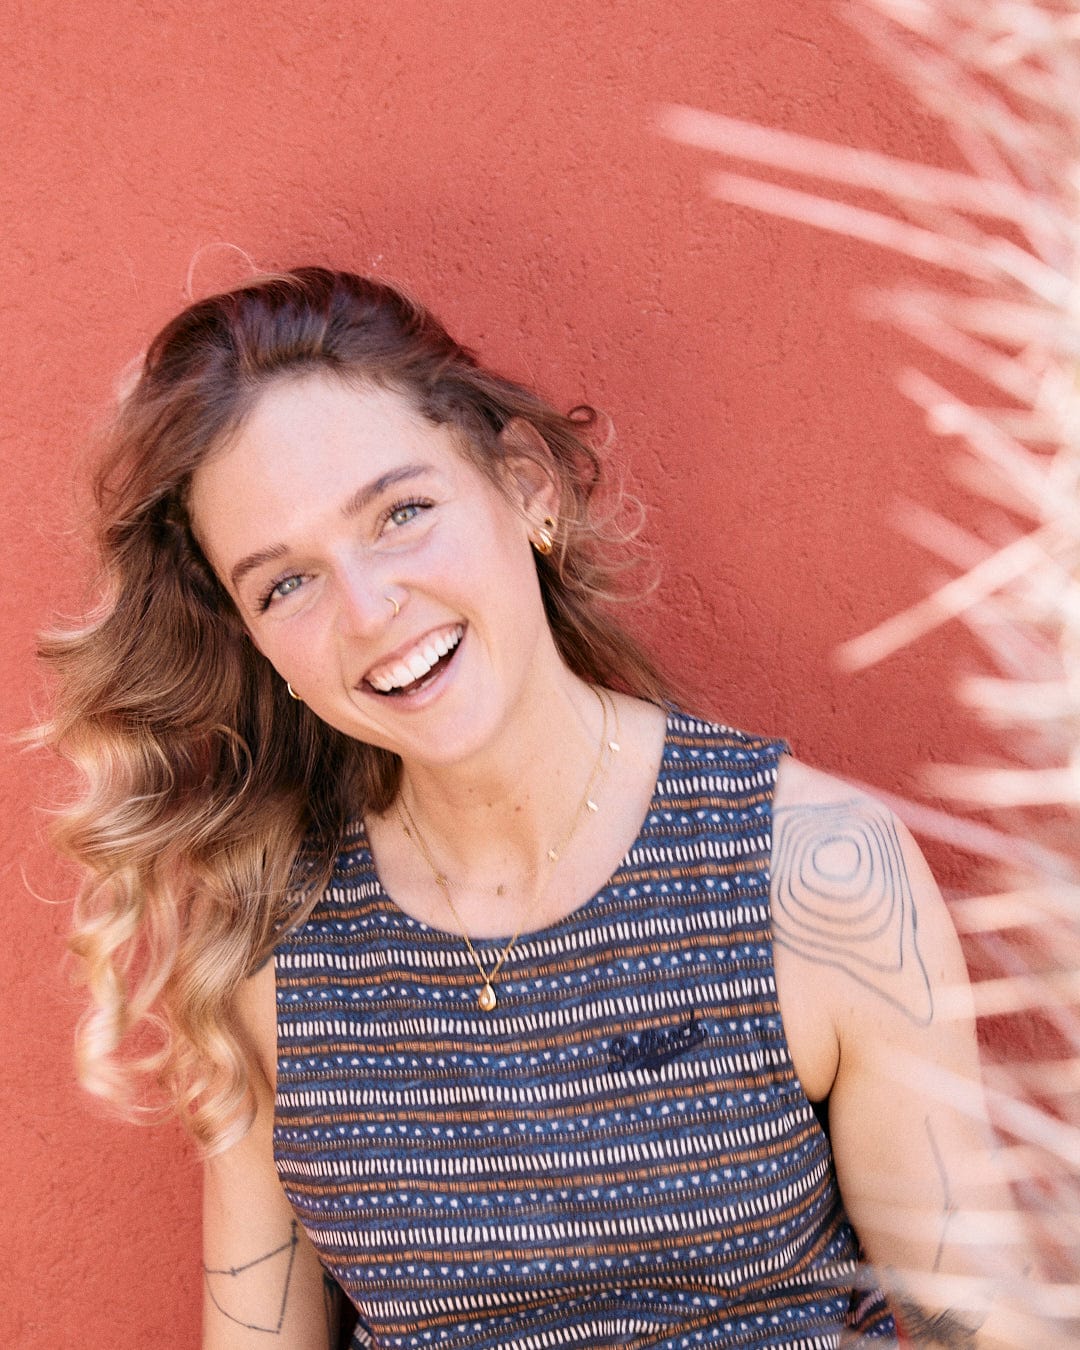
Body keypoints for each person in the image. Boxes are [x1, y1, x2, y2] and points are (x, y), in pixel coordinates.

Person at [42, 267, 1059, 1349]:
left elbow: (977, 1321)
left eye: (401, 513)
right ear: (253, 639)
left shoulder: (812, 876)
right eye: (284, 583)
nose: (370, 610)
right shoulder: (269, 946)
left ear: (525, 487)